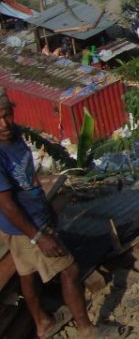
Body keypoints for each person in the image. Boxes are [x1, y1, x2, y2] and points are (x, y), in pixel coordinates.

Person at [0, 88, 97, 339]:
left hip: (31, 218)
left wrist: (44, 206)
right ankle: (86, 329)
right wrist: (38, 237)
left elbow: (29, 178)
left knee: (27, 273)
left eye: (7, 115)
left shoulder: (16, 135)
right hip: (26, 225)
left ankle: (43, 323)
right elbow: (7, 204)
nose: (4, 123)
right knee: (70, 269)